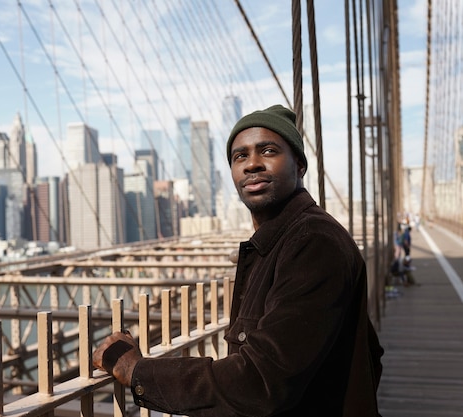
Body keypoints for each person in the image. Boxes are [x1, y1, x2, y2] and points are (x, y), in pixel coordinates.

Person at [93, 104, 384, 416]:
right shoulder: (279, 244)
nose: (252, 164)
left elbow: (259, 381)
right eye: (240, 156)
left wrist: (137, 371)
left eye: (268, 151)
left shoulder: (313, 243)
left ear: (299, 164)